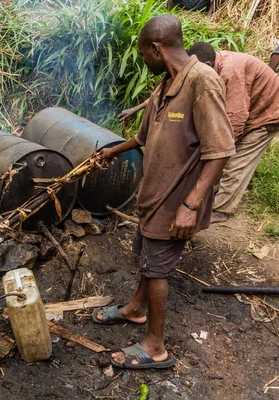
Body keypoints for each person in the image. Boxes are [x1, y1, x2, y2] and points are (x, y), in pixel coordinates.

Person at [93, 15, 235, 369]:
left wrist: (191, 204)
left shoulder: (202, 82)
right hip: (153, 195)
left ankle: (155, 347)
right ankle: (136, 310)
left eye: (144, 55)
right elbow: (143, 138)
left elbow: (220, 150)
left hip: (176, 201)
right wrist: (112, 151)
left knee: (157, 270)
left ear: (157, 49)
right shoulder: (166, 84)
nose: (144, 61)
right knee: (145, 255)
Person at [119, 43, 279, 223]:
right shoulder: (202, 69)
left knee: (235, 161)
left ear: (208, 67)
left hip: (268, 112)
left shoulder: (230, 72)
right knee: (217, 157)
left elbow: (235, 119)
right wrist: (136, 108)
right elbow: (167, 92)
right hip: (250, 105)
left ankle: (220, 209)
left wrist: (217, 153)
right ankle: (209, 193)